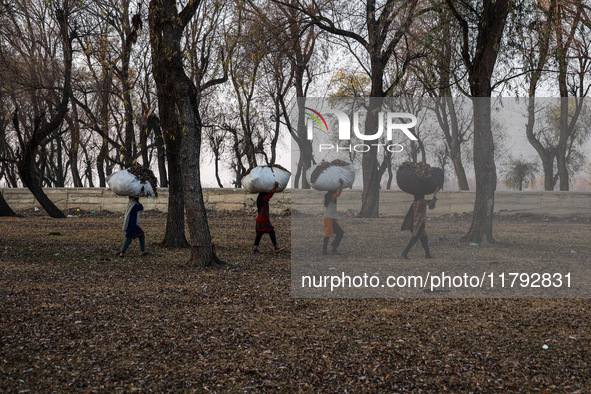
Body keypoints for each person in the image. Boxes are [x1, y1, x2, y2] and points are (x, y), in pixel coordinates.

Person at [401, 187, 439, 259]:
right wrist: (435, 193)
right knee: (415, 238)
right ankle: (405, 252)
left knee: (424, 238)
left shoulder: (415, 202)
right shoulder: (421, 203)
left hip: (416, 223)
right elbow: (431, 205)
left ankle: (427, 254)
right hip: (419, 224)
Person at [254, 181, 284, 253]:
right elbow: (271, 194)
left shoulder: (260, 200)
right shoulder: (264, 199)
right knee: (271, 232)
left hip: (258, 220)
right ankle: (275, 247)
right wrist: (275, 186)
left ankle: (255, 247)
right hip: (264, 220)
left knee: (259, 234)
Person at [323, 178, 344, 255]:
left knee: (339, 233)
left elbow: (338, 192)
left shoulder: (328, 196)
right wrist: (341, 184)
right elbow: (339, 192)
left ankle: (333, 248)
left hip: (333, 218)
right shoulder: (331, 197)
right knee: (328, 234)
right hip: (329, 218)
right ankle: (325, 249)